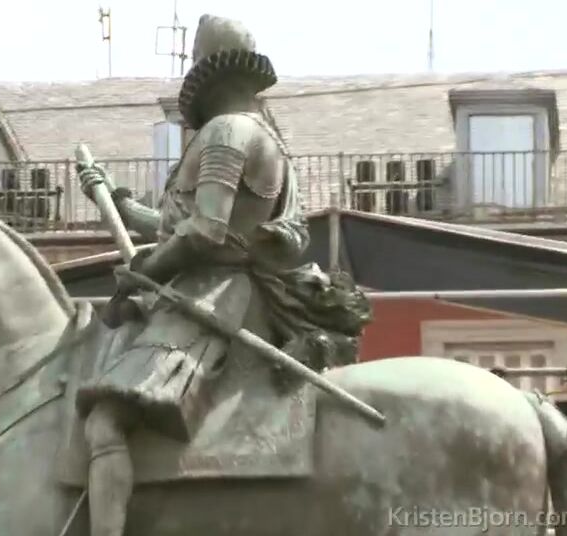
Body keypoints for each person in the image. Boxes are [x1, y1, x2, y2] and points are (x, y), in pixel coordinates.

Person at [74, 13, 373, 536]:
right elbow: (185, 225)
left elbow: (205, 233)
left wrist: (145, 268)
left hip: (210, 297)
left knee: (105, 421)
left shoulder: (225, 133)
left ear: (208, 76)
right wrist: (118, 204)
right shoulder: (262, 136)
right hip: (221, 289)